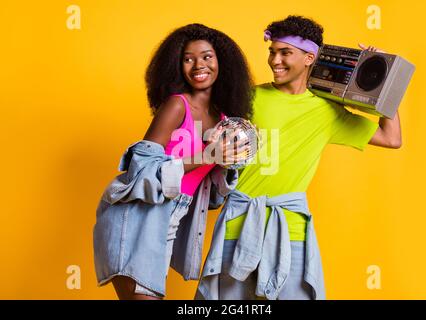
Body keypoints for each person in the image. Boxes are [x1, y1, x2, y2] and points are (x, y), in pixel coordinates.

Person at [195, 15, 402, 300]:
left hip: (289, 231)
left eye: (285, 52)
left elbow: (392, 139)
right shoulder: (247, 98)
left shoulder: (327, 111)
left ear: (309, 58)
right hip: (238, 226)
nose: (274, 60)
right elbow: (207, 139)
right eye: (272, 51)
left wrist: (386, 82)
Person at [93, 23, 254, 300]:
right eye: (188, 59)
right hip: (136, 218)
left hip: (171, 221)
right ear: (177, 65)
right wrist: (207, 155)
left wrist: (230, 161)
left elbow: (211, 195)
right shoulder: (177, 105)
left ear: (221, 62)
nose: (197, 66)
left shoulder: (224, 120)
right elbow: (141, 171)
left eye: (206, 56)